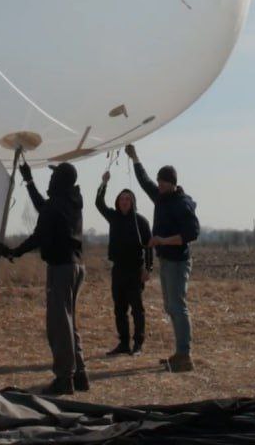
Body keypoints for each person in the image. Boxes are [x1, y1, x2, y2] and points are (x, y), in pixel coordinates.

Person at [0, 161, 88, 395]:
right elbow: (44, 208)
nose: (51, 179)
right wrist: (29, 182)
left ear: (60, 181)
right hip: (75, 266)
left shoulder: (57, 204)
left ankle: (64, 379)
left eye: (54, 176)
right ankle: (80, 375)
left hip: (61, 269)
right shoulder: (72, 200)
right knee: (68, 322)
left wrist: (13, 251)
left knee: (59, 324)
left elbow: (38, 235)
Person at [125, 143, 199, 373]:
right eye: (158, 182)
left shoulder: (182, 203)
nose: (158, 185)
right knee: (170, 306)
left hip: (177, 261)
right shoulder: (160, 197)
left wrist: (161, 240)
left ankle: (184, 356)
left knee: (178, 307)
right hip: (166, 261)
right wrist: (135, 157)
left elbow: (191, 234)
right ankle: (179, 353)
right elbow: (144, 181)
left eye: (162, 182)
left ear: (172, 183)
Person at [94, 170, 152, 356]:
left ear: (133, 202)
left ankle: (138, 345)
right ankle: (124, 343)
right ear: (118, 202)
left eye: (128, 199)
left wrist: (148, 269)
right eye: (122, 199)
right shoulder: (113, 217)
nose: (124, 201)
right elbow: (98, 203)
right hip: (118, 269)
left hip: (136, 270)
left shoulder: (140, 221)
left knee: (137, 309)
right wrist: (103, 183)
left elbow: (149, 246)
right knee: (119, 309)